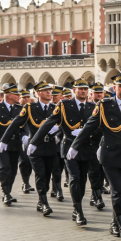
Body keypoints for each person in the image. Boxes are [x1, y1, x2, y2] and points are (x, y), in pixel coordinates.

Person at [67, 72, 121, 241]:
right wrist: (75, 146)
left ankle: (114, 223)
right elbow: (90, 126)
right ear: (115, 88)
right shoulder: (105, 105)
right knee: (118, 190)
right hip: (110, 155)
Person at [29, 78, 93, 225]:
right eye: (80, 88)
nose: (83, 91)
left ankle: (77, 204)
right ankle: (78, 210)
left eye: (85, 89)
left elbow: (99, 127)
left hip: (85, 148)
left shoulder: (92, 106)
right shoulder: (65, 105)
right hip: (70, 148)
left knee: (82, 181)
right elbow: (49, 122)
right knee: (74, 178)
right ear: (74, 90)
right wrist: (34, 141)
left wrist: (86, 132)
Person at [0, 82, 59, 215]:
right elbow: (16, 123)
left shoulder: (56, 108)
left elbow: (65, 124)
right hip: (35, 147)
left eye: (50, 90)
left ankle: (41, 200)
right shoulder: (30, 107)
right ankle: (44, 203)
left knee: (48, 174)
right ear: (38, 93)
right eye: (45, 91)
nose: (49, 92)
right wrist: (4, 140)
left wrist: (59, 130)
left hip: (50, 146)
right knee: (40, 174)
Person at [86, 84, 107, 210]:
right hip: (92, 143)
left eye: (101, 93)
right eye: (96, 93)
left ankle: (95, 193)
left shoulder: (108, 106)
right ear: (92, 94)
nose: (99, 95)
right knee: (94, 171)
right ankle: (97, 196)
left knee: (102, 170)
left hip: (104, 143)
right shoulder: (89, 108)